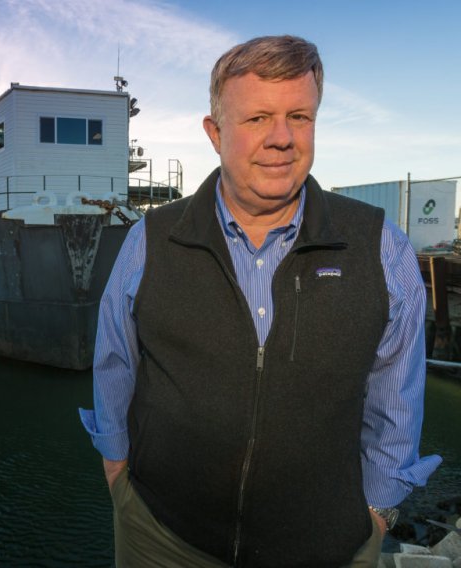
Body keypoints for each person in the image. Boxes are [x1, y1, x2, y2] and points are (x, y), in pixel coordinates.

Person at [79, 35, 441, 568]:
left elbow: (396, 399)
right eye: (256, 119)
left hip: (324, 550)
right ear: (215, 132)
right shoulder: (152, 239)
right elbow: (115, 359)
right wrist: (119, 476)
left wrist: (375, 514)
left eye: (299, 116)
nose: (281, 138)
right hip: (162, 539)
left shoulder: (379, 247)